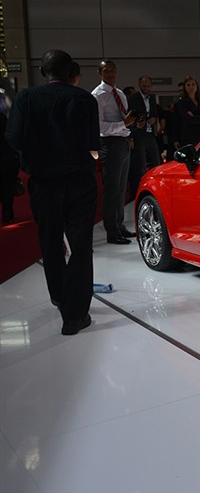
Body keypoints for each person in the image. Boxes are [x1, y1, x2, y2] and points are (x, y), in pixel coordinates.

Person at [5, 49, 100, 335]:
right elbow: (92, 144)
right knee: (80, 246)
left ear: (43, 71)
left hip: (44, 182)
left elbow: (13, 139)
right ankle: (75, 315)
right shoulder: (84, 99)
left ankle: (59, 296)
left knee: (50, 241)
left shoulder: (25, 98)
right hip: (79, 181)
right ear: (71, 71)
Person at [92, 59, 136, 245]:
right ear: (99, 73)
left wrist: (131, 127)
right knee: (112, 189)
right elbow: (99, 126)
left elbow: (125, 119)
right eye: (106, 70)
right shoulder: (97, 95)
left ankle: (119, 225)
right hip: (109, 144)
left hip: (123, 142)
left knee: (121, 188)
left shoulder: (120, 94)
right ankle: (112, 231)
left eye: (113, 70)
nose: (110, 73)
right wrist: (124, 124)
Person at [127, 75, 162, 194]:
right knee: (140, 166)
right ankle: (138, 191)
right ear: (139, 85)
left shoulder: (152, 98)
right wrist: (131, 137)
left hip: (149, 133)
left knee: (156, 162)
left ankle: (154, 188)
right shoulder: (134, 98)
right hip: (138, 134)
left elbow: (155, 113)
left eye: (148, 86)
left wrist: (153, 119)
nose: (146, 88)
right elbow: (130, 116)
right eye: (144, 86)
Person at [175, 75, 200, 147]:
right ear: (185, 87)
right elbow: (189, 120)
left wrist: (197, 117)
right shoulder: (182, 103)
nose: (191, 87)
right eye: (188, 85)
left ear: (197, 86)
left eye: (193, 84)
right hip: (191, 137)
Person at [0, 113, 20, 224]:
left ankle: (7, 212)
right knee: (7, 187)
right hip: (6, 157)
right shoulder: (2, 117)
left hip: (5, 156)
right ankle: (7, 212)